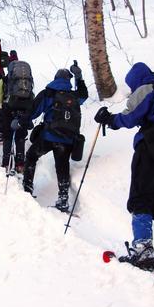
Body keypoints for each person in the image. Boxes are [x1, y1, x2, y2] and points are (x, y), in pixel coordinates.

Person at [94, 62, 154, 270]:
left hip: (149, 150)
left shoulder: (146, 89)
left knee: (141, 196)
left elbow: (130, 117)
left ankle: (143, 248)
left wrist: (110, 120)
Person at [22, 64, 88, 212]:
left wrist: (23, 121)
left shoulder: (48, 93)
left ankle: (27, 188)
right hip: (68, 140)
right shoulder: (73, 96)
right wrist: (79, 77)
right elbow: (84, 95)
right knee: (62, 166)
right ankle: (63, 199)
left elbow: (34, 111)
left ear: (55, 78)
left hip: (49, 137)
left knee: (32, 156)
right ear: (68, 81)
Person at [0, 51, 33, 173]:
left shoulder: (5, 79)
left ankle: (5, 163)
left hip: (8, 108)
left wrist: (2, 107)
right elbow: (31, 95)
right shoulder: (26, 80)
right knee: (20, 136)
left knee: (7, 135)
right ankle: (20, 164)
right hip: (24, 109)